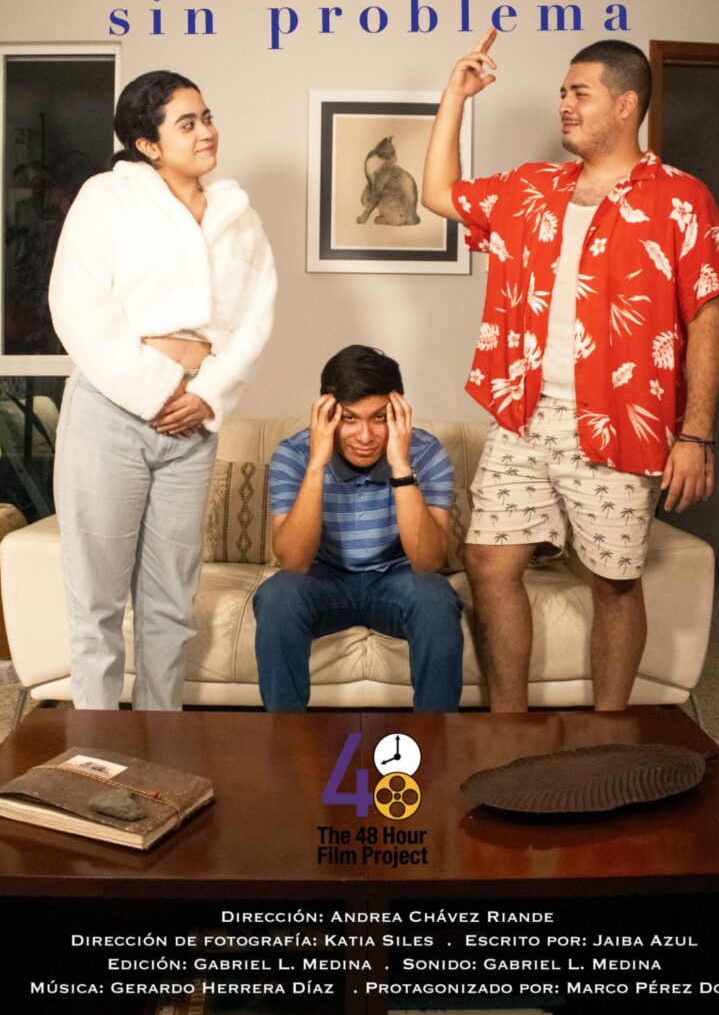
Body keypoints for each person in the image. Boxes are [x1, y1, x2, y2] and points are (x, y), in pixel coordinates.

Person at [422, 30, 719, 713]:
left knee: (614, 582)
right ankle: (509, 726)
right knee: (488, 563)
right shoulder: (532, 188)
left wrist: (696, 434)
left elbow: (707, 318)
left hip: (621, 422)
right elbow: (438, 192)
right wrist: (455, 96)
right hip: (523, 415)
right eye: (563, 92)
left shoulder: (681, 199)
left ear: (626, 105)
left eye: (579, 93)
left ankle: (608, 729)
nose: (564, 104)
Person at [49, 70, 277, 711]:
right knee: (96, 604)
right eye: (188, 123)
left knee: (171, 606)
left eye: (208, 117)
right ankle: (95, 750)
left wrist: (207, 395)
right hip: (110, 414)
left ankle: (160, 747)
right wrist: (156, 391)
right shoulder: (106, 198)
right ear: (148, 145)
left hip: (194, 423)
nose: (207, 132)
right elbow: (76, 304)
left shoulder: (238, 216)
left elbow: (257, 318)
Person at [254, 345, 464, 712]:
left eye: (379, 418)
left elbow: (428, 562)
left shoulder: (426, 452)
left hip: (396, 581)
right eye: (349, 419)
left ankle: (435, 736)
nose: (365, 436)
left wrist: (401, 466)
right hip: (323, 579)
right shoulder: (294, 453)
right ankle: (285, 736)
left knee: (435, 596)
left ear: (398, 412)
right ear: (327, 414)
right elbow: (293, 563)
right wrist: (317, 464)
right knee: (277, 595)